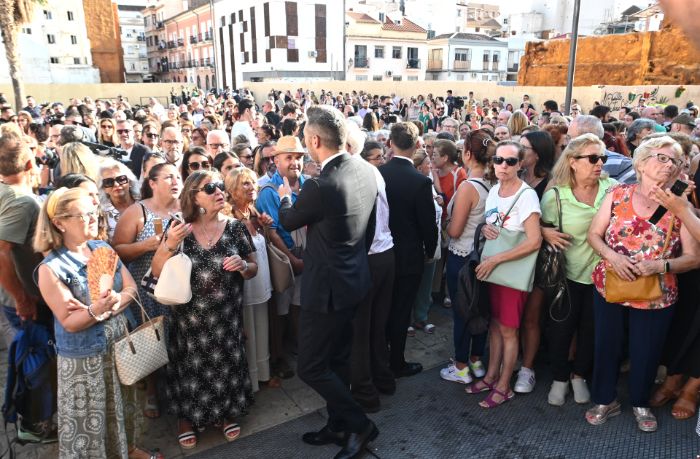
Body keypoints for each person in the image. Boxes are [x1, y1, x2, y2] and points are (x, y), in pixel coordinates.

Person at [276, 105, 380, 458]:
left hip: (328, 291)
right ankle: (339, 425)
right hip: (355, 281)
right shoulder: (365, 169)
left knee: (311, 366)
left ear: (314, 140)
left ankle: (359, 423)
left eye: (305, 140)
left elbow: (288, 221)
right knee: (337, 361)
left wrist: (286, 194)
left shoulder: (318, 185)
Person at [34, 187, 160, 459]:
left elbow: (130, 288)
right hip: (85, 358)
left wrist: (112, 302)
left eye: (94, 212)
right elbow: (69, 322)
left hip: (118, 347)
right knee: (88, 421)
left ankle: (127, 449)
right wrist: (96, 310)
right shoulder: (51, 268)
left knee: (124, 407)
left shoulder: (102, 247)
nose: (94, 219)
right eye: (83, 215)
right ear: (59, 223)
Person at [586, 136, 700, 432]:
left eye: (674, 160)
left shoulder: (678, 204)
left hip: (656, 293)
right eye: (662, 157)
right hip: (610, 283)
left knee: (646, 350)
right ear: (641, 162)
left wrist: (658, 266)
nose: (669, 164)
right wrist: (613, 257)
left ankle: (640, 402)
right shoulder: (618, 193)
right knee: (606, 345)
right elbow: (594, 235)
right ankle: (604, 399)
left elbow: (693, 258)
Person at [151, 170, 257, 449]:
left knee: (225, 362)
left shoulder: (235, 226)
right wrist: (170, 245)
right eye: (210, 188)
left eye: (220, 186)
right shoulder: (178, 227)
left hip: (226, 318)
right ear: (193, 197)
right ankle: (186, 418)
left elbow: (253, 266)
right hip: (188, 320)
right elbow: (156, 271)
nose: (219, 191)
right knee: (189, 366)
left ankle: (225, 414)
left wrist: (244, 266)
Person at [539, 134, 617, 406]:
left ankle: (578, 375)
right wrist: (543, 232)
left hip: (604, 276)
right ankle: (559, 377)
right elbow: (537, 227)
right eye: (593, 158)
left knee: (591, 330)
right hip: (567, 275)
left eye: (603, 158)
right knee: (561, 330)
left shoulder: (613, 189)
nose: (599, 164)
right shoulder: (556, 196)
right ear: (572, 162)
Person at [467, 141, 542, 408]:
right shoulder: (495, 190)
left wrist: (497, 258)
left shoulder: (526, 195)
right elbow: (495, 222)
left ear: (520, 165)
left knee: (509, 330)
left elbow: (534, 241)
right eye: (499, 160)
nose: (503, 166)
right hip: (494, 269)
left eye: (510, 161)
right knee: (496, 325)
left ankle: (504, 385)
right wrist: (487, 228)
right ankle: (491, 375)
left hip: (509, 272)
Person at [112, 163, 182, 421]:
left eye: (177, 176)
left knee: (178, 338)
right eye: (168, 177)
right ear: (152, 183)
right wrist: (147, 245)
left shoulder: (185, 207)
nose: (175, 181)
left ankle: (178, 386)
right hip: (148, 288)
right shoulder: (137, 211)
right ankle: (152, 390)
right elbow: (117, 249)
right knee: (153, 339)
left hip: (180, 285)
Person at [380, 122, 438, 378]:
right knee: (402, 310)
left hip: (380, 255)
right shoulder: (420, 181)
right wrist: (430, 250)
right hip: (409, 256)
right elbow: (428, 225)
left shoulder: (378, 174)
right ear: (417, 146)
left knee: (382, 309)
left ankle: (381, 358)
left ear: (390, 143)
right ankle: (396, 362)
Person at [441, 129, 494, 385]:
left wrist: (445, 218)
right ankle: (476, 359)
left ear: (468, 154)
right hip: (485, 256)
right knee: (481, 309)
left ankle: (461, 365)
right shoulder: (494, 183)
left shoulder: (468, 187)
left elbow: (455, 230)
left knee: (463, 311)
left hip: (462, 257)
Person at [255, 136, 306, 380]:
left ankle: (299, 346)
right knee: (281, 309)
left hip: (307, 255)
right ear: (276, 161)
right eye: (289, 157)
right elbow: (273, 232)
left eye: (298, 157)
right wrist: (292, 260)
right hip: (285, 258)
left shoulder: (309, 184)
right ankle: (280, 355)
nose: (295, 162)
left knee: (299, 304)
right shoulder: (268, 190)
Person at [224, 167, 274, 391]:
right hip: (243, 285)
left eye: (253, 182)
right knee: (247, 331)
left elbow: (262, 245)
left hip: (260, 281)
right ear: (232, 190)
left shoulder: (253, 212)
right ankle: (250, 382)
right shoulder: (228, 217)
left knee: (262, 327)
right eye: (245, 184)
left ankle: (263, 375)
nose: (252, 187)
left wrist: (264, 227)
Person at [409, 149, 442, 337]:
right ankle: (408, 319)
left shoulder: (428, 183)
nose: (431, 166)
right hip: (416, 244)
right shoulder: (416, 183)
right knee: (411, 284)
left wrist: (438, 198)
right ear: (419, 166)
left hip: (432, 242)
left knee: (426, 283)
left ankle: (421, 317)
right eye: (428, 163)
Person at [97, 160, 139, 241]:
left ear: (130, 182)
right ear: (103, 188)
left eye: (121, 179)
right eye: (109, 182)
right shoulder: (101, 213)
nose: (116, 184)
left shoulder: (145, 203)